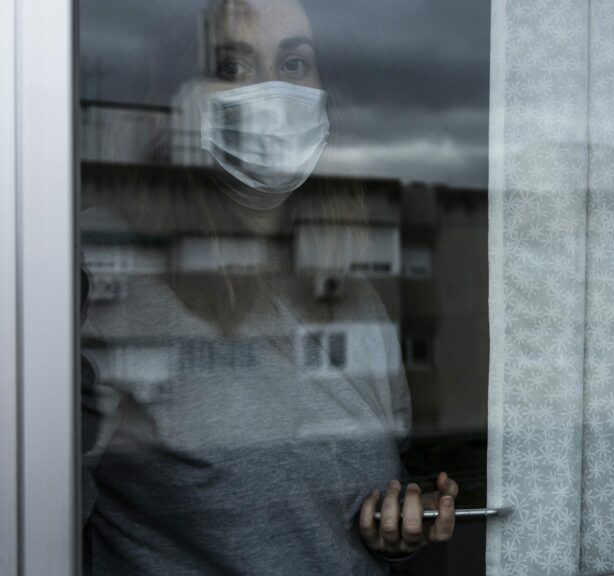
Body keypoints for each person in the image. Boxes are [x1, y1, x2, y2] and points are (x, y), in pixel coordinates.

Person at [80, 0, 456, 573]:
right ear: (175, 99)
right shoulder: (103, 277)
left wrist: (395, 525)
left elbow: (351, 489)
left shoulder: (354, 300)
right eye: (231, 67)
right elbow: (32, 515)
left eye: (295, 64)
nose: (271, 96)